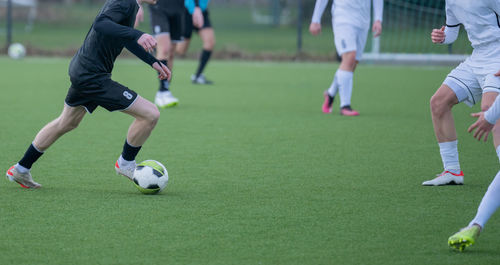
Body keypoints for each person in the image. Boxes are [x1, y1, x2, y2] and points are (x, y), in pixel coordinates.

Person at [5, 0, 171, 189]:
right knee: (150, 114)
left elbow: (124, 38)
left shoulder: (130, 5)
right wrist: (137, 33)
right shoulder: (124, 2)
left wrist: (153, 61)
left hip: (84, 71)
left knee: (67, 122)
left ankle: (21, 168)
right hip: (93, 76)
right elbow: (101, 23)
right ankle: (125, 164)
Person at [422, 0, 500, 186]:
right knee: (438, 102)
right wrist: (441, 37)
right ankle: (452, 171)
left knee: (492, 110)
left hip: (498, 56)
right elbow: (451, 33)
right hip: (477, 57)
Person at [309, 0, 383, 116]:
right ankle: (345, 106)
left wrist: (378, 19)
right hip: (343, 17)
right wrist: (315, 20)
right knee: (349, 57)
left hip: (363, 20)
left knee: (352, 63)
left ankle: (330, 94)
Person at [138, 0, 202, 108]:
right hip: (159, 7)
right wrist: (138, 4)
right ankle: (163, 91)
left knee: (171, 53)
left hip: (178, 9)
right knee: (164, 49)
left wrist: (196, 7)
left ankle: (164, 90)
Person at [176, 0, 215, 85]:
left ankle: (198, 76)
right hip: (187, 12)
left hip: (202, 12)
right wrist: (196, 7)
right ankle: (157, 43)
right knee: (180, 50)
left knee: (210, 42)